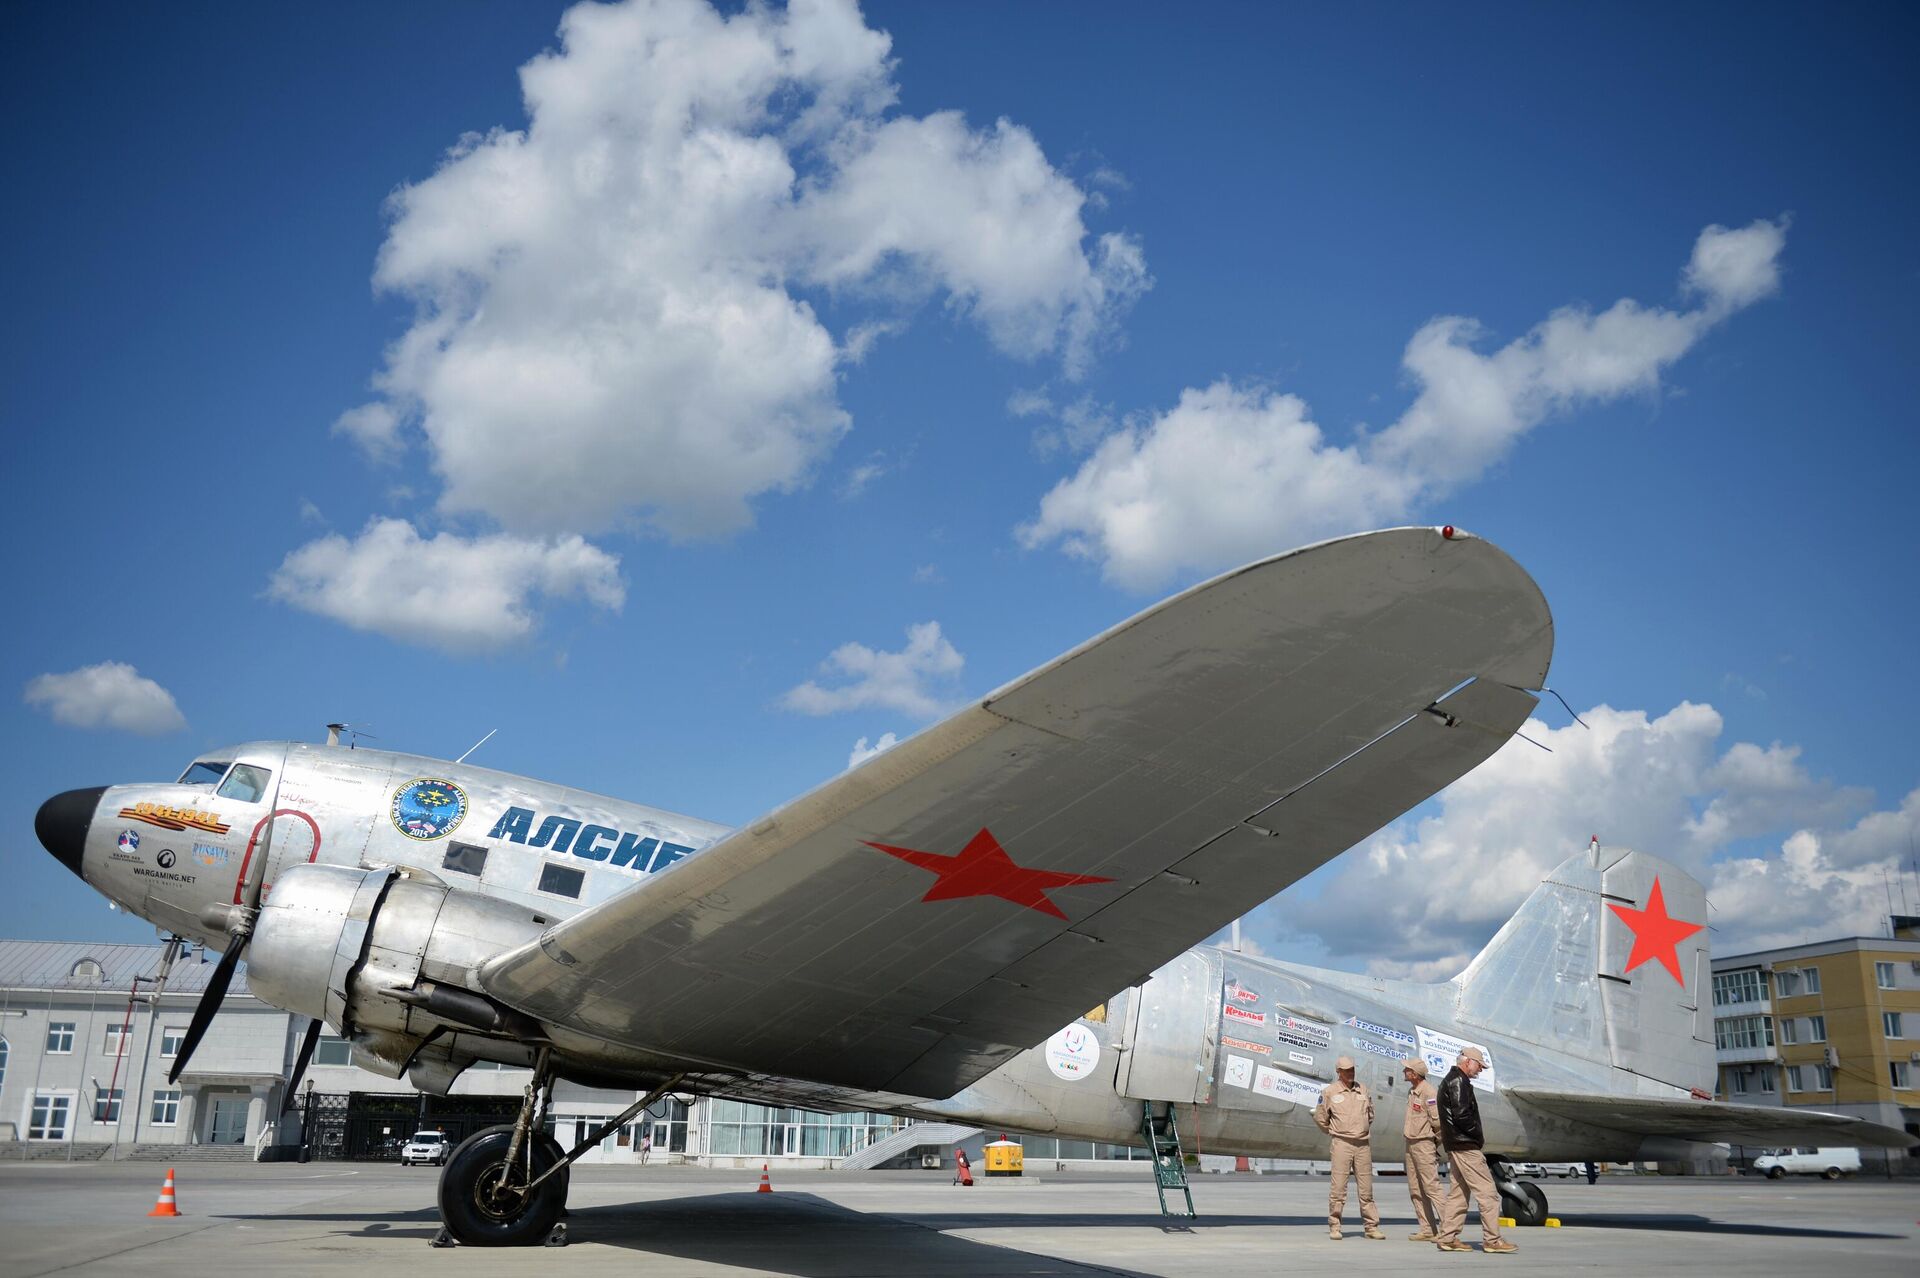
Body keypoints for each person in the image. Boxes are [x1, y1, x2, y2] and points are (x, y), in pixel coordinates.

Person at [1434, 1047, 1514, 1254]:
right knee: (1488, 1194)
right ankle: (1493, 1240)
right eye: (1478, 1065)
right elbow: (1461, 1115)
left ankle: (1448, 1237)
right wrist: (1477, 1135)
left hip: (1455, 1146)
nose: (1479, 1070)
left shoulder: (1451, 1079)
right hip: (1465, 1145)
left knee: (1459, 1193)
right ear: (1467, 1061)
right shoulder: (1459, 1081)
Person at [1314, 1055, 1385, 1240]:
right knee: (1338, 1188)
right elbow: (1321, 1118)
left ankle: (1371, 1227)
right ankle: (1335, 1226)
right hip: (1342, 1144)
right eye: (1346, 1070)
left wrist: (1361, 1129)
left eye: (1352, 1069)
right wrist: (1334, 1131)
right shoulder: (1329, 1092)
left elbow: (1370, 1114)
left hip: (1362, 1145)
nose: (1350, 1073)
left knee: (1366, 1190)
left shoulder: (1363, 1089)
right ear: (1339, 1072)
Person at [1400, 1057, 1443, 1241]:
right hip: (1411, 1143)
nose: (1404, 1072)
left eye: (1407, 1070)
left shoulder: (1429, 1092)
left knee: (1431, 1187)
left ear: (1415, 1074)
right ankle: (1427, 1229)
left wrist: (1433, 1143)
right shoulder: (1412, 1092)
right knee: (1416, 1189)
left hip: (1424, 1143)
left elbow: (1438, 1123)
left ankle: (1449, 1229)